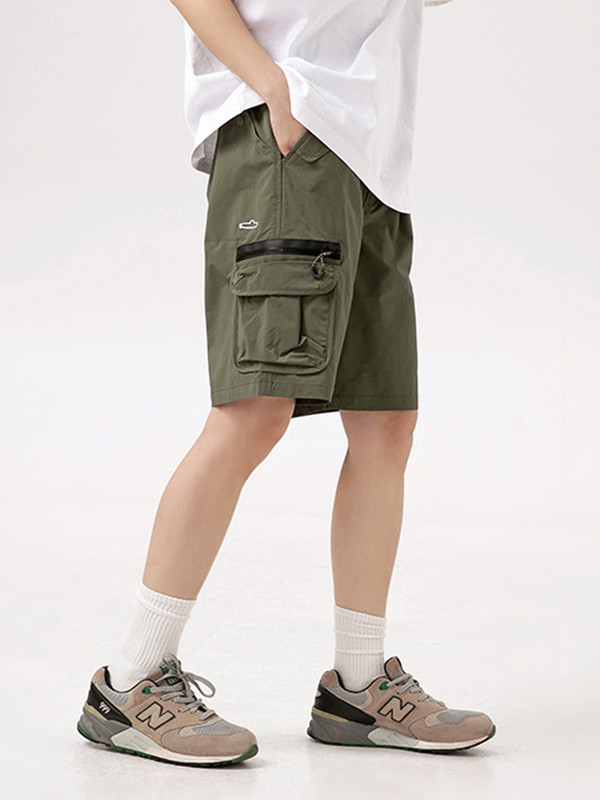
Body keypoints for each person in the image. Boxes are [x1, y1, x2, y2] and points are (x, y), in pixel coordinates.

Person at [76, 0, 496, 767]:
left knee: (385, 420)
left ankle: (358, 686)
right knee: (253, 408)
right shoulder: (283, 102)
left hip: (370, 150)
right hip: (289, 132)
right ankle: (130, 680)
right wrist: (274, 86)